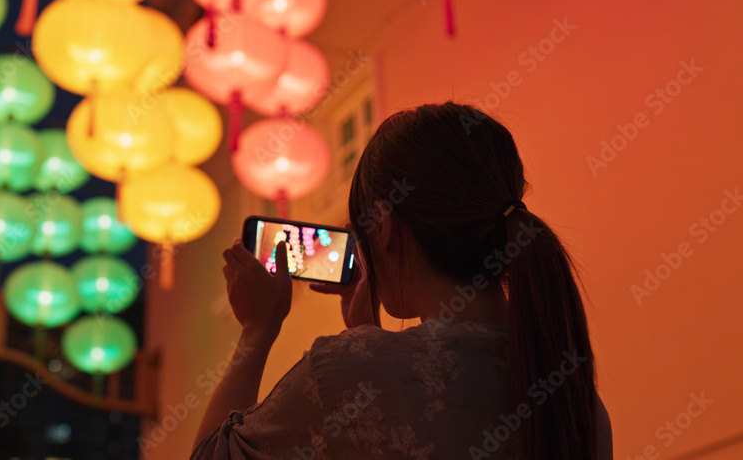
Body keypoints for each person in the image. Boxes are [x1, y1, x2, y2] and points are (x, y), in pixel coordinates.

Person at [190, 102, 613, 459]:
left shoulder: (343, 370)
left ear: (384, 227)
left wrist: (257, 330)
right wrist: (367, 337)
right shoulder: (579, 407)